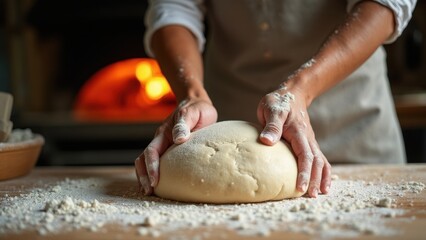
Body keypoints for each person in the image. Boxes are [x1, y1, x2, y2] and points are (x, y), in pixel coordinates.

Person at [135, 0, 417, 198]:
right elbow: (174, 8)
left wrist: (300, 89)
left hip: (353, 121)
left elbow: (387, 3)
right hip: (225, 120)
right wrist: (192, 95)